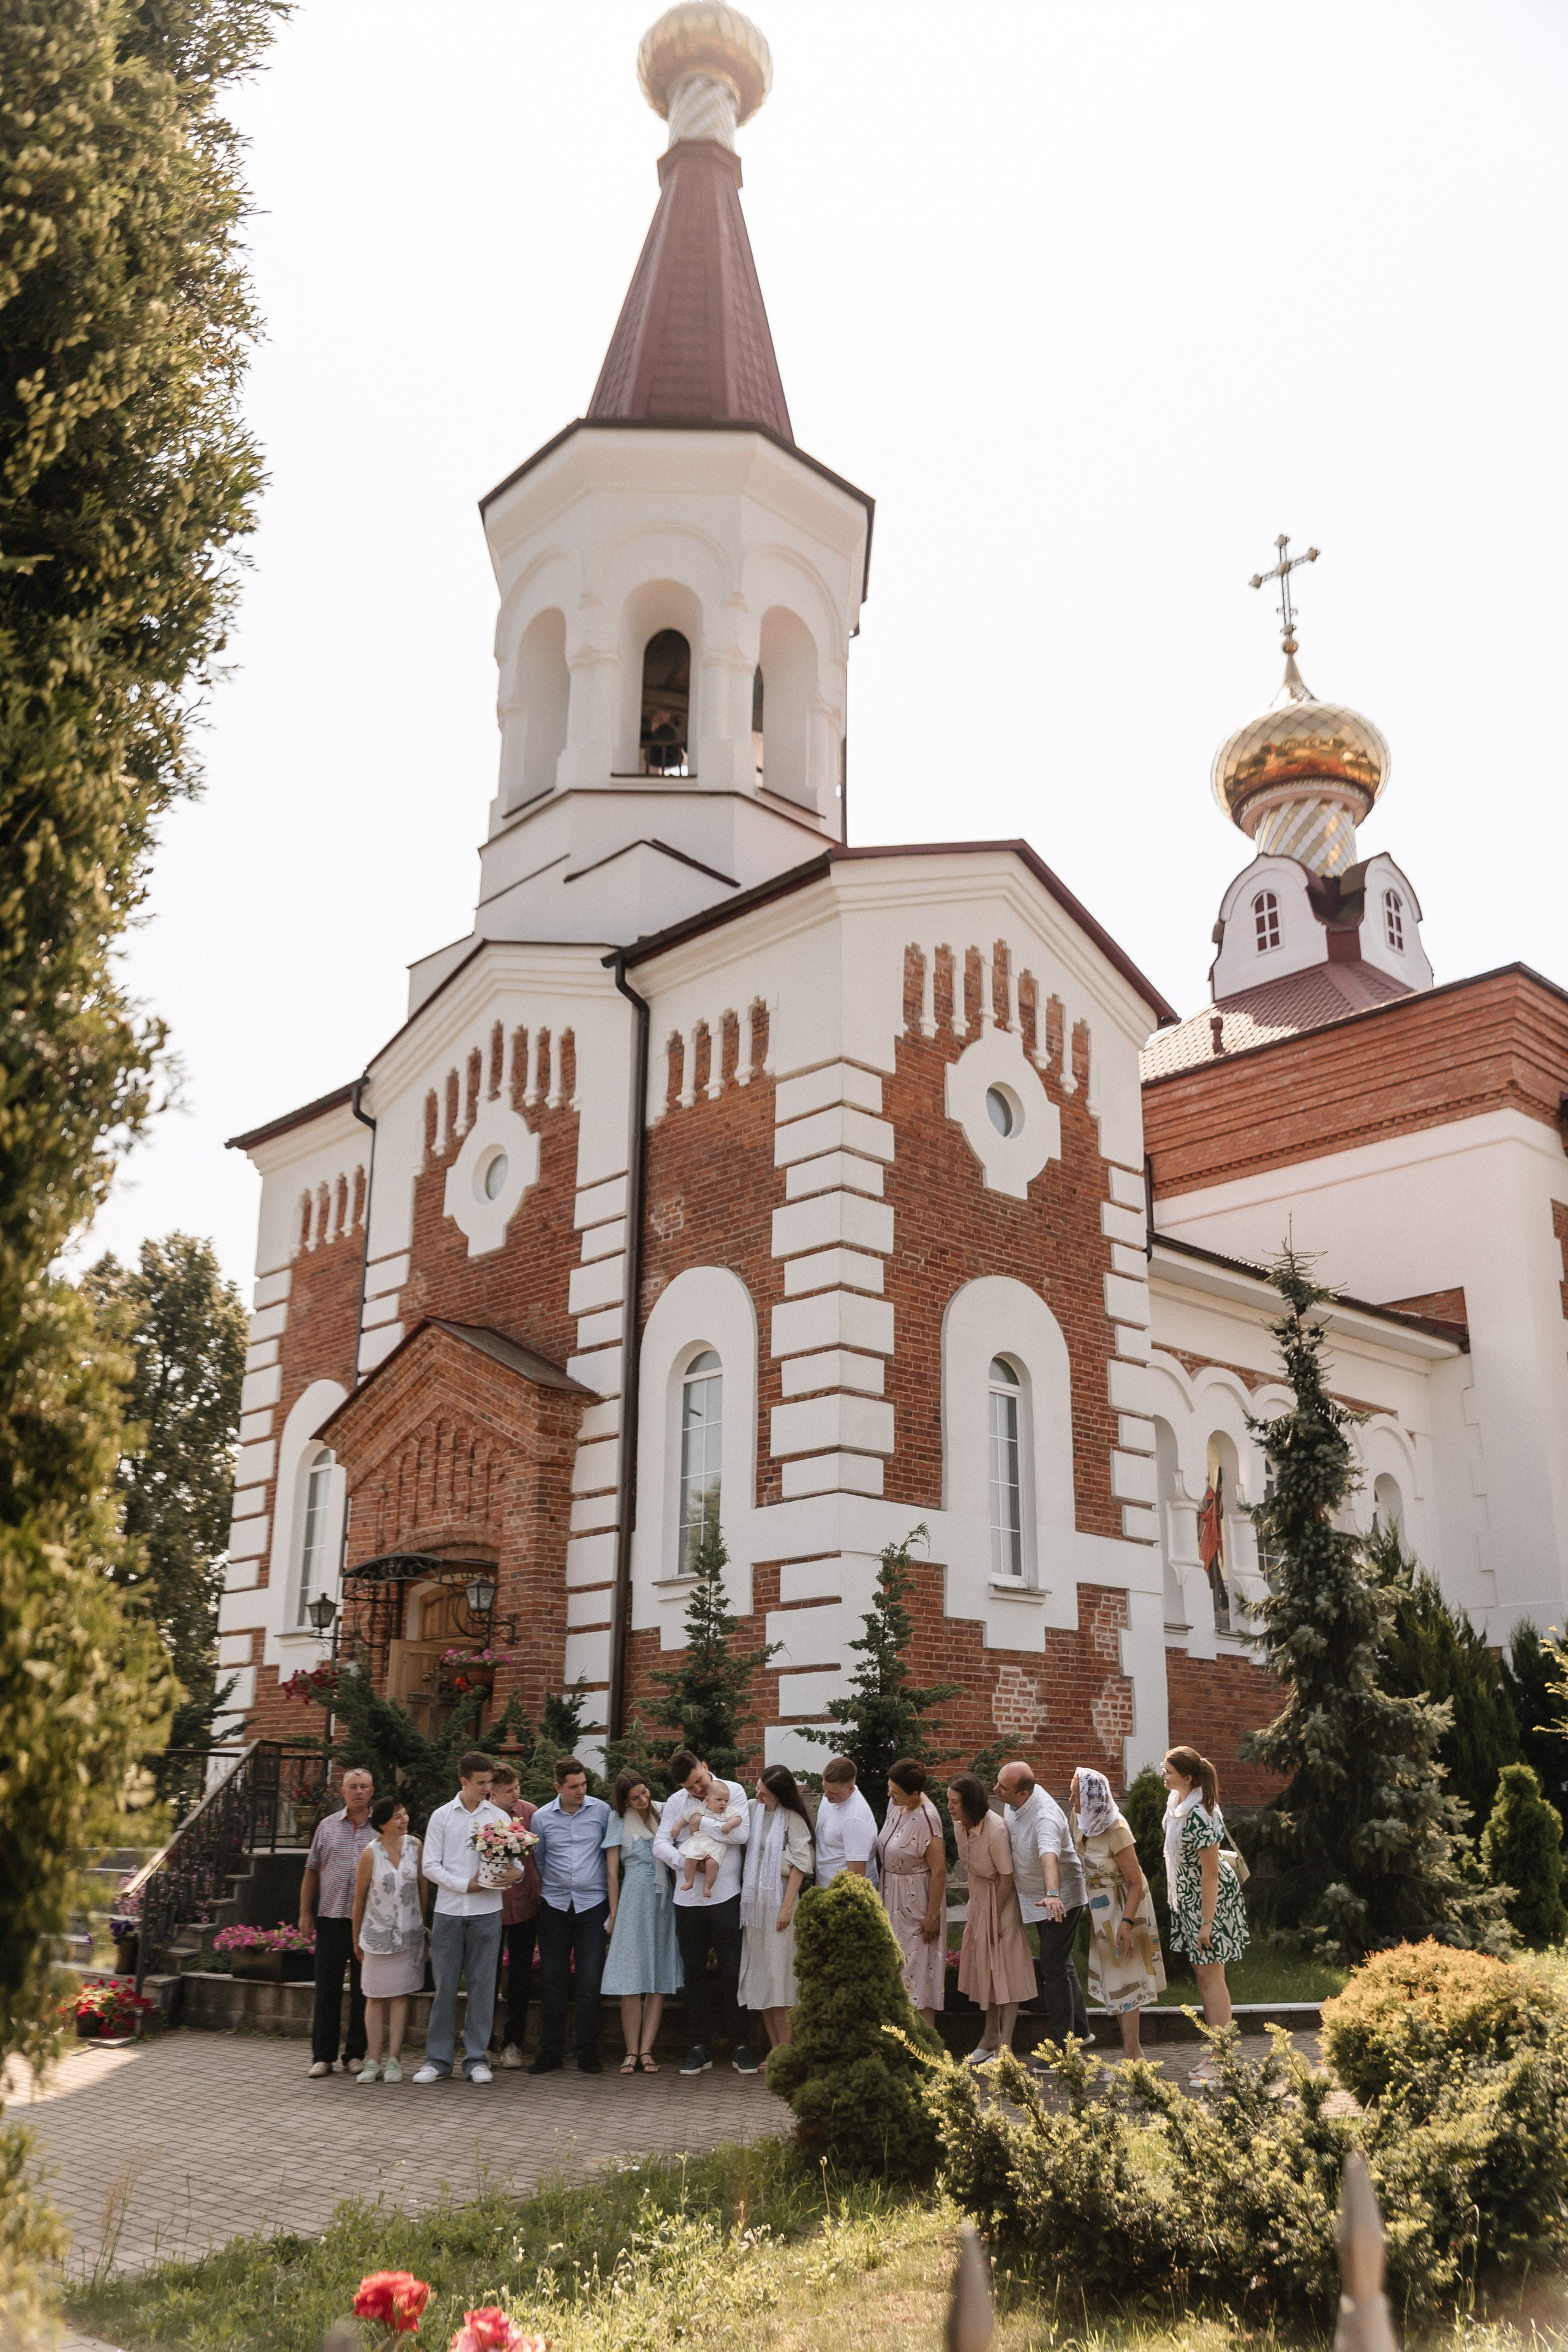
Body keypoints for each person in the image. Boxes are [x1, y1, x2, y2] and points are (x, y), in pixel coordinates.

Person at [413, 1750, 519, 2086]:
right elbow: (430, 1866)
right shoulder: (442, 1816)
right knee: (445, 1987)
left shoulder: (499, 1816)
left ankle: (477, 2059)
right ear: (463, 1781)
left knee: (483, 1987)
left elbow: (517, 1863)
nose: (487, 1789)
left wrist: (514, 1875)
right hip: (448, 1912)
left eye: (489, 1782)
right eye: (481, 1783)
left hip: (487, 1912)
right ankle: (437, 2060)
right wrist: (466, 1885)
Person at [653, 1749, 758, 2077]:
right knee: (694, 1975)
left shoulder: (732, 1791)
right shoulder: (676, 1803)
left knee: (732, 1971)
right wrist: (685, 1863)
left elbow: (741, 1834)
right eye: (690, 1787)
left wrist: (702, 1824)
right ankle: (699, 2047)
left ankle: (741, 2045)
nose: (697, 1790)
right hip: (687, 1903)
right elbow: (660, 1843)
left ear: (706, 1767)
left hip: (726, 1897)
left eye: (699, 1781)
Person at [1163, 1744, 1248, 2085]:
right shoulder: (1177, 1807)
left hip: (1210, 1903)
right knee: (1204, 1975)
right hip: (1190, 1901)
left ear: (1187, 1777)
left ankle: (1224, 2060)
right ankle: (1217, 2052)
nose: (1163, 1775)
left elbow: (1211, 1873)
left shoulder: (1199, 1813)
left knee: (1212, 1976)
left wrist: (1207, 1923)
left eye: (1168, 1771)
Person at [1070, 1765, 1164, 2060]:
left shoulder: (1117, 1829)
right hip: (1101, 1909)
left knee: (1128, 1982)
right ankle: (1135, 2056)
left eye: (1075, 1796)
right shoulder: (1079, 1819)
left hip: (1126, 1906)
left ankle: (1129, 2058)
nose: (1071, 1801)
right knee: (1115, 1981)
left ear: (1091, 1798)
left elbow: (1135, 1882)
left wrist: (1126, 1923)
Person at [994, 1758, 1090, 2049]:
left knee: (1053, 1967)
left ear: (1023, 1794)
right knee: (1060, 1962)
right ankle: (1081, 2032)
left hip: (1060, 1900)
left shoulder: (1045, 1816)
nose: (995, 1790)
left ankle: (1063, 2047)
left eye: (1002, 1787)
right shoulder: (1015, 1801)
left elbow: (1049, 1856)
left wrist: (1053, 1893)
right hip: (1036, 1897)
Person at [530, 1755, 613, 2075]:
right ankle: (550, 2051)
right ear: (558, 1787)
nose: (581, 1791)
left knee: (590, 1980)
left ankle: (588, 2051)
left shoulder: (601, 1811)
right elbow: (539, 1859)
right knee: (553, 1979)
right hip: (554, 1906)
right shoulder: (541, 1818)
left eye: (584, 1784)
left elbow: (609, 1855)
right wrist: (553, 1889)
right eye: (574, 1786)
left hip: (592, 1906)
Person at [948, 1770, 1035, 2067]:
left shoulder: (996, 1831)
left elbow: (1007, 1877)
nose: (949, 1807)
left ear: (969, 1803)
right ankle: (989, 2038)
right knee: (986, 1970)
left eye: (955, 1802)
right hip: (979, 1897)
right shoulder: (960, 1826)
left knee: (1006, 1972)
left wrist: (994, 1918)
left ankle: (1005, 2048)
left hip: (1001, 1901)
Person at [603, 1768, 682, 2074]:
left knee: (658, 1975)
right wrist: (614, 1914)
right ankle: (631, 2051)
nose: (643, 1800)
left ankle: (647, 2050)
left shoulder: (663, 1810)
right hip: (633, 1900)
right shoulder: (618, 1819)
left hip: (663, 1901)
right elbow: (612, 1872)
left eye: (644, 1793)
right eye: (635, 1798)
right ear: (624, 1800)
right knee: (631, 1976)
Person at [300, 1766, 376, 2078]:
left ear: (372, 1791)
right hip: (331, 1917)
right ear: (343, 1792)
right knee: (327, 1988)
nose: (359, 1792)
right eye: (353, 1787)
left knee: (363, 1989)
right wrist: (305, 1912)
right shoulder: (327, 1826)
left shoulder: (381, 1829)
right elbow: (312, 1870)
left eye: (364, 1787)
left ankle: (355, 2054)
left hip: (368, 1922)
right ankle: (323, 2056)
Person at [350, 1796, 428, 2082]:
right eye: (397, 1817)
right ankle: (373, 2060)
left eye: (405, 1814)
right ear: (382, 1824)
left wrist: (421, 1923)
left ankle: (395, 2059)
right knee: (374, 1997)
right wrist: (356, 1938)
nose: (404, 1820)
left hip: (408, 1935)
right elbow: (359, 1899)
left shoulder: (415, 1846)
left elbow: (422, 1887)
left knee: (399, 1996)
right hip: (377, 1936)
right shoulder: (370, 1854)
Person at [738, 1764, 814, 2048]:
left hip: (780, 1902)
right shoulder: (751, 1809)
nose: (758, 1796)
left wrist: (786, 1908)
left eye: (765, 1794)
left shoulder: (792, 1818)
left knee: (780, 1977)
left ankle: (789, 2050)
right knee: (761, 1977)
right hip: (755, 1906)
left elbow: (801, 1864)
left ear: (780, 1795)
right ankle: (776, 2050)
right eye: (758, 1789)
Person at [876, 1757, 946, 2026]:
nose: (890, 1795)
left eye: (895, 1792)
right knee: (893, 1972)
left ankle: (924, 2041)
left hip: (916, 1902)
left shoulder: (928, 1819)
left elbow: (939, 1870)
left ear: (915, 1794)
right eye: (890, 1789)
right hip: (890, 1896)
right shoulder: (897, 1805)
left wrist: (932, 1916)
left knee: (917, 1974)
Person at [488, 1762, 539, 2070]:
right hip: (489, 1908)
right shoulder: (482, 1817)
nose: (516, 1794)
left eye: (517, 1787)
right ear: (492, 1793)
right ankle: (483, 2043)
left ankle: (513, 2044)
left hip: (525, 1905)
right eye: (509, 1791)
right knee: (487, 1977)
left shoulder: (530, 1813)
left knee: (520, 1978)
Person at [814, 1757, 878, 1887]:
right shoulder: (830, 1798)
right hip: (825, 1888)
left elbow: (856, 1876)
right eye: (825, 1788)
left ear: (850, 1789)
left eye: (833, 1792)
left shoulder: (855, 1819)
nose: (826, 1795)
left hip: (843, 1893)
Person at [678, 1782, 745, 1897]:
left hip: (717, 1843)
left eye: (726, 1800)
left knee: (713, 1864)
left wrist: (729, 1825)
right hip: (699, 1840)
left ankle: (707, 1887)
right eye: (719, 1800)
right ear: (708, 1800)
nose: (723, 1803)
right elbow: (686, 1817)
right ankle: (689, 1881)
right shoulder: (700, 1809)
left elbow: (738, 1818)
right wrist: (677, 1827)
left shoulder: (727, 1811)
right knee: (690, 1858)